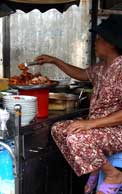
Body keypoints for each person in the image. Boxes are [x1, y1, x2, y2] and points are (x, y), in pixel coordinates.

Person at [35, 14, 122, 194]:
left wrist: (89, 124)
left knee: (76, 137)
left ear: (111, 44)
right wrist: (55, 61)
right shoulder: (103, 66)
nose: (95, 43)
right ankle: (96, 167)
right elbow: (82, 74)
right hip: (99, 128)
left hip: (116, 130)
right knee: (58, 129)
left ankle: (113, 174)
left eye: (98, 39)